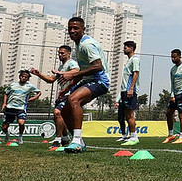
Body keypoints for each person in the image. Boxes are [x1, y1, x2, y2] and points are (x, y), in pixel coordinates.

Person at [55, 17, 110, 153]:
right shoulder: (78, 46)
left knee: (74, 100)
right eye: (70, 28)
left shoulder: (86, 45)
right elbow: (83, 71)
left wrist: (72, 75)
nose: (72, 31)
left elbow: (98, 66)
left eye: (76, 28)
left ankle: (76, 141)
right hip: (88, 80)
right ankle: (78, 141)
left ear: (83, 29)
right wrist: (67, 88)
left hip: (100, 81)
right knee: (65, 110)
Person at [30, 45, 78, 147]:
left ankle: (57, 140)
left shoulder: (71, 63)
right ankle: (65, 138)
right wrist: (38, 74)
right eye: (59, 53)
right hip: (62, 94)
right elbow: (51, 80)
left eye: (62, 53)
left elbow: (76, 71)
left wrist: (61, 73)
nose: (60, 55)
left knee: (57, 113)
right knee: (58, 117)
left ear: (69, 53)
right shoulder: (61, 67)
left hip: (70, 93)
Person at [0, 70, 41, 144]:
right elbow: (6, 93)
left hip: (21, 108)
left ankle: (20, 136)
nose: (24, 78)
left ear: (27, 79)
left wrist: (34, 98)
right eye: (22, 76)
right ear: (19, 77)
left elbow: (39, 92)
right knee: (4, 128)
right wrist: (4, 103)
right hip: (10, 108)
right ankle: (7, 133)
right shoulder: (12, 85)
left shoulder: (29, 86)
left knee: (21, 123)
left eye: (26, 77)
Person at [164, 49, 182, 144]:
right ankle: (171, 134)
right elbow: (172, 84)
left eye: (175, 57)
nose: (173, 59)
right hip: (175, 95)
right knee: (169, 113)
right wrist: (172, 95)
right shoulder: (172, 69)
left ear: (179, 56)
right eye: (172, 57)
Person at [118, 41, 141, 146]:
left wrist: (131, 88)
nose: (124, 49)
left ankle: (134, 137)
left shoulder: (135, 59)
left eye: (126, 47)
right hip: (124, 91)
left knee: (129, 114)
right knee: (127, 115)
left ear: (132, 48)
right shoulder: (129, 61)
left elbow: (136, 73)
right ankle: (133, 135)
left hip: (129, 91)